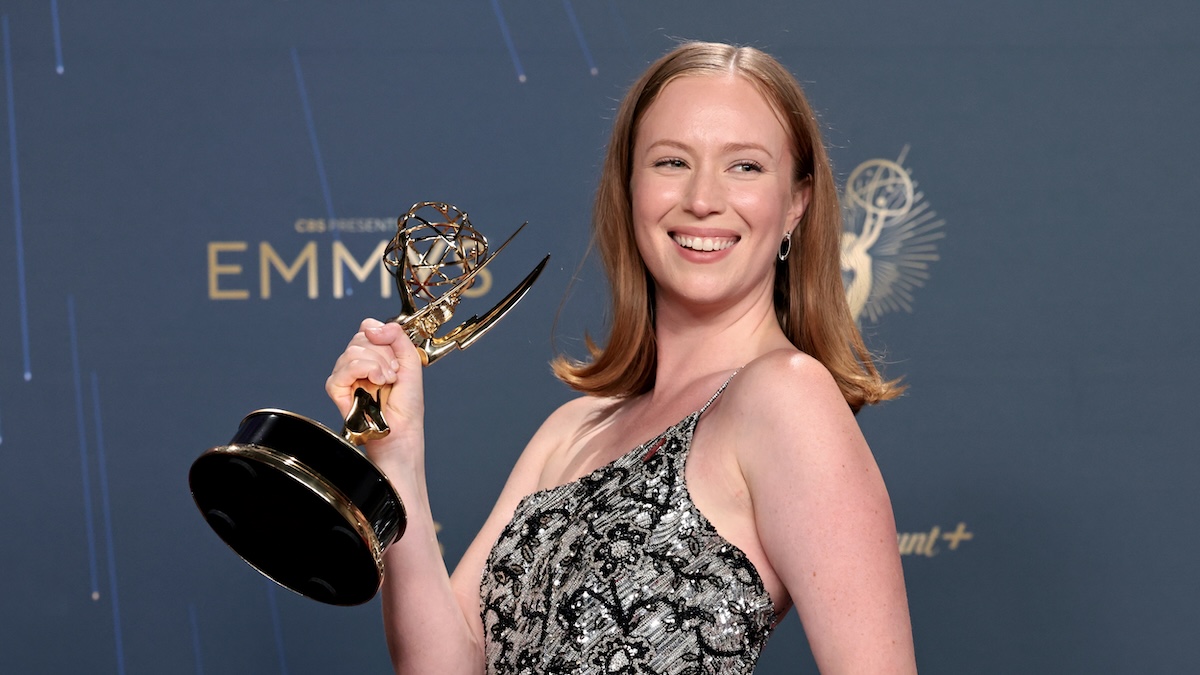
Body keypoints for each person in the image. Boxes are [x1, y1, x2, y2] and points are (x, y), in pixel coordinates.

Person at [327, 41, 916, 674]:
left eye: (744, 167)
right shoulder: (571, 432)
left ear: (796, 203)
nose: (702, 199)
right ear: (629, 188)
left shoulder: (786, 398)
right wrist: (396, 455)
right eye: (671, 161)